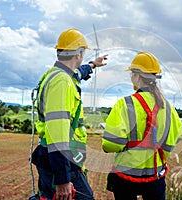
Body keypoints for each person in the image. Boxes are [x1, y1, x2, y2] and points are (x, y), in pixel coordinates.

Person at [32, 27, 107, 200]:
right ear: (79, 54)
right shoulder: (61, 82)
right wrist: (62, 179)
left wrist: (94, 64)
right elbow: (58, 133)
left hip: (56, 158)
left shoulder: (59, 74)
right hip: (60, 161)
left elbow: (79, 73)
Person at [102, 52, 182, 200]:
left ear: (138, 76)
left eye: (132, 74)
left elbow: (110, 144)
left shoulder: (125, 104)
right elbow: (172, 141)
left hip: (125, 177)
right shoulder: (168, 108)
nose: (131, 78)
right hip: (155, 177)